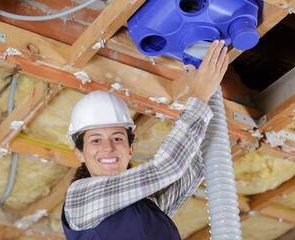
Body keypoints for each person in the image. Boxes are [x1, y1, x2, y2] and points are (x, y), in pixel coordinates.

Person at [61, 40, 229, 240]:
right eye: (96, 140)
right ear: (79, 153)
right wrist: (199, 96)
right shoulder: (79, 198)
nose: (108, 147)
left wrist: (207, 90)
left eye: (117, 138)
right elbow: (167, 167)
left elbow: (193, 166)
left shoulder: (147, 206)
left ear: (130, 149)